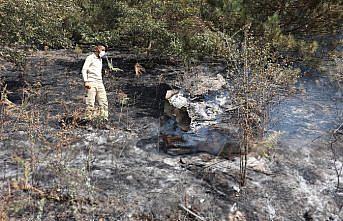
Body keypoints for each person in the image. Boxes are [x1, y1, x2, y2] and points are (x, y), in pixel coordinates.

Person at [82, 45, 108, 121]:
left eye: (104, 50)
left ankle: (104, 119)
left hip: (100, 82)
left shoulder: (100, 59)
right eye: (102, 50)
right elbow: (84, 70)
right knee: (90, 102)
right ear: (97, 49)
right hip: (91, 82)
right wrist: (86, 81)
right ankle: (88, 120)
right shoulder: (90, 58)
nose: (103, 52)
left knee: (103, 101)